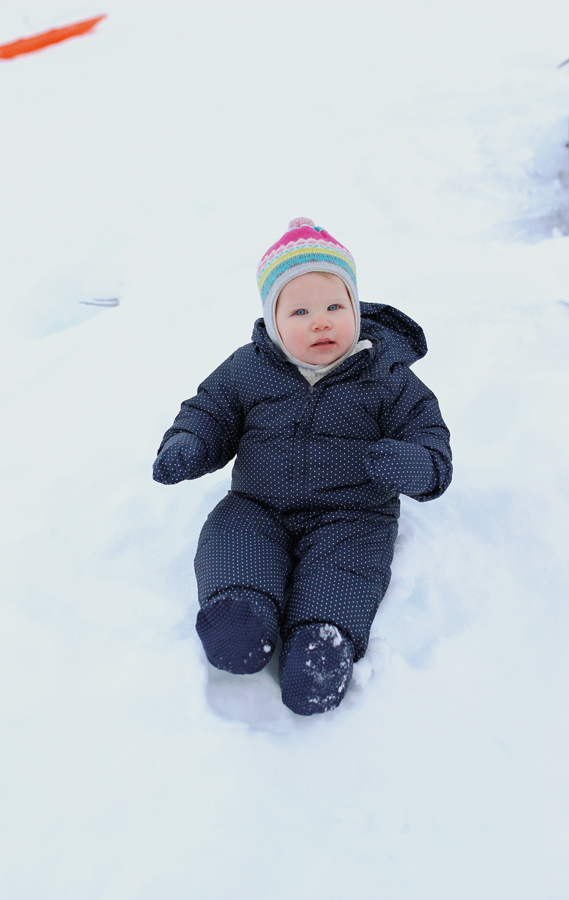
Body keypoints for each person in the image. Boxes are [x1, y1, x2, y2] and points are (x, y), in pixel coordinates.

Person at [153, 217, 452, 716]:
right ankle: (239, 615)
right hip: (257, 504)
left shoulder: (388, 377)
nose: (321, 321)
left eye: (336, 306)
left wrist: (411, 465)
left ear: (356, 308)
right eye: (300, 310)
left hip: (352, 518)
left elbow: (432, 444)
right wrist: (189, 443)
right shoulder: (247, 369)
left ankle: (321, 642)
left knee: (345, 574)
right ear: (272, 321)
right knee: (233, 540)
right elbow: (210, 410)